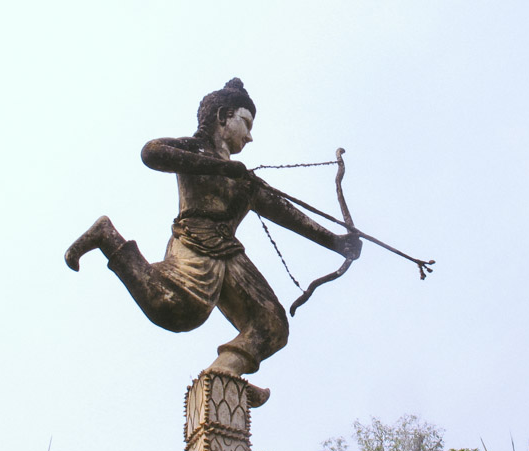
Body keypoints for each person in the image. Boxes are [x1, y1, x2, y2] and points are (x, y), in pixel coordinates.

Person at [64, 78, 361, 405]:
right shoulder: (197, 150)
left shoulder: (244, 179)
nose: (249, 136)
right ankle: (107, 236)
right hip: (194, 239)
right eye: (246, 123)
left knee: (271, 325)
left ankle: (224, 375)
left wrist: (336, 242)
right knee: (175, 308)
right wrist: (220, 167)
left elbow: (285, 213)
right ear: (223, 116)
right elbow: (152, 152)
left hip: (229, 254)